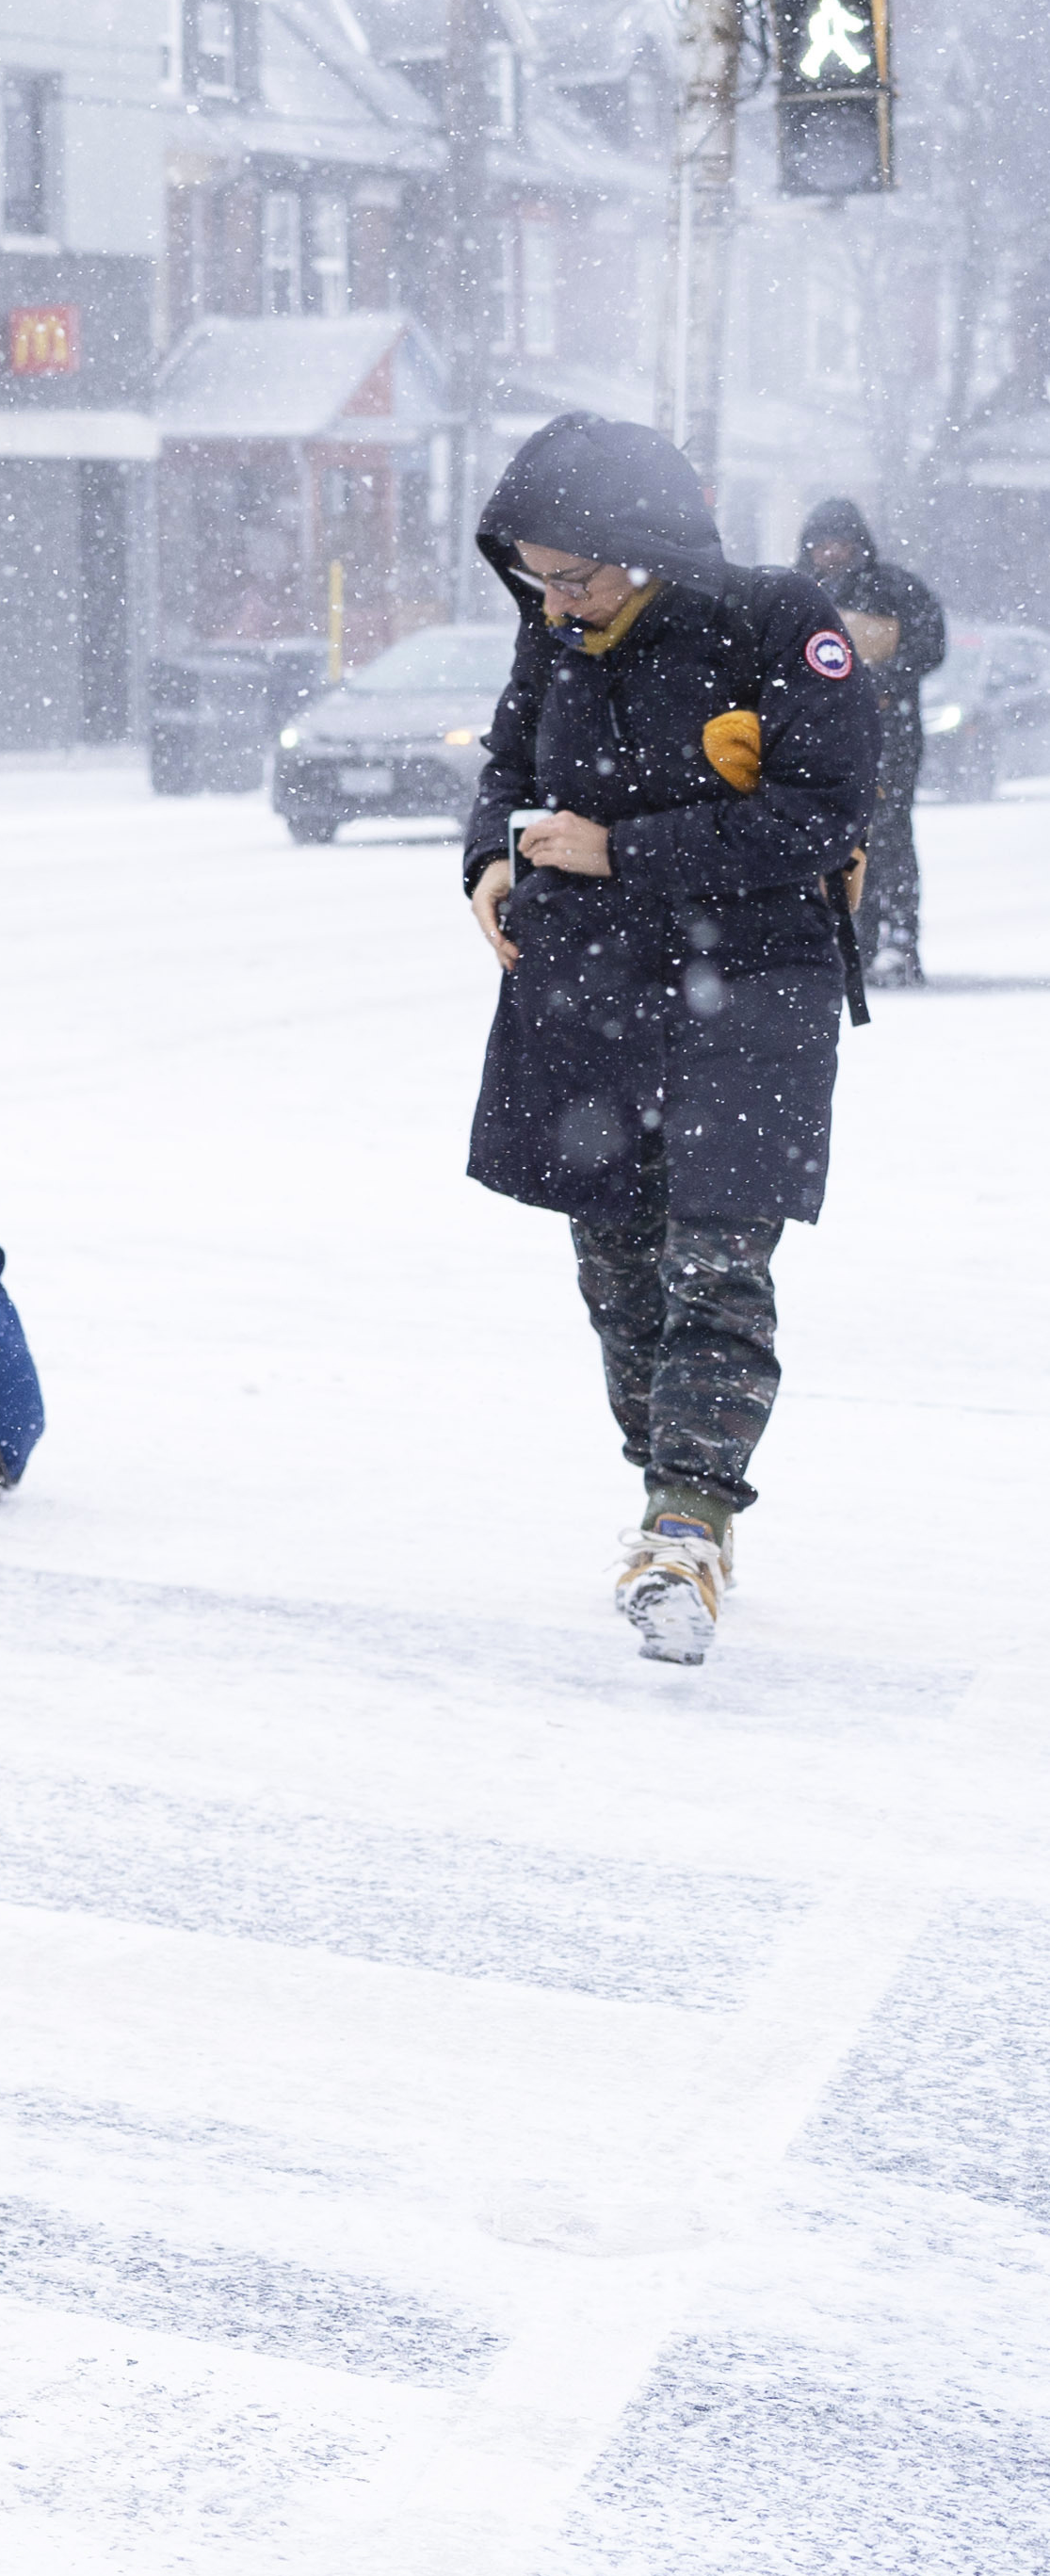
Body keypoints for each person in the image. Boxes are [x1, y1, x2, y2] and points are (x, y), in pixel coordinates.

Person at [460, 414, 872, 1665]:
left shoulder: (772, 623)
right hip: (586, 993)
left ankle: (684, 1522)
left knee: (713, 1264)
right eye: (536, 576)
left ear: (638, 551)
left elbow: (823, 813)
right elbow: (503, 767)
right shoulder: (557, 638)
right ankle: (670, 1490)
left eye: (572, 574)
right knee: (618, 1274)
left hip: (747, 995)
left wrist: (621, 848)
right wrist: (485, 859)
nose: (555, 601)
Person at [792, 497, 947, 985]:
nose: (832, 554)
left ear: (860, 544)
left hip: (889, 736)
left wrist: (880, 678)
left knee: (889, 832)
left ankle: (898, 938)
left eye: (841, 543)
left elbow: (929, 647)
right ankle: (851, 937)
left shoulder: (896, 589)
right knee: (835, 837)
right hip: (821, 737)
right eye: (822, 544)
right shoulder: (798, 592)